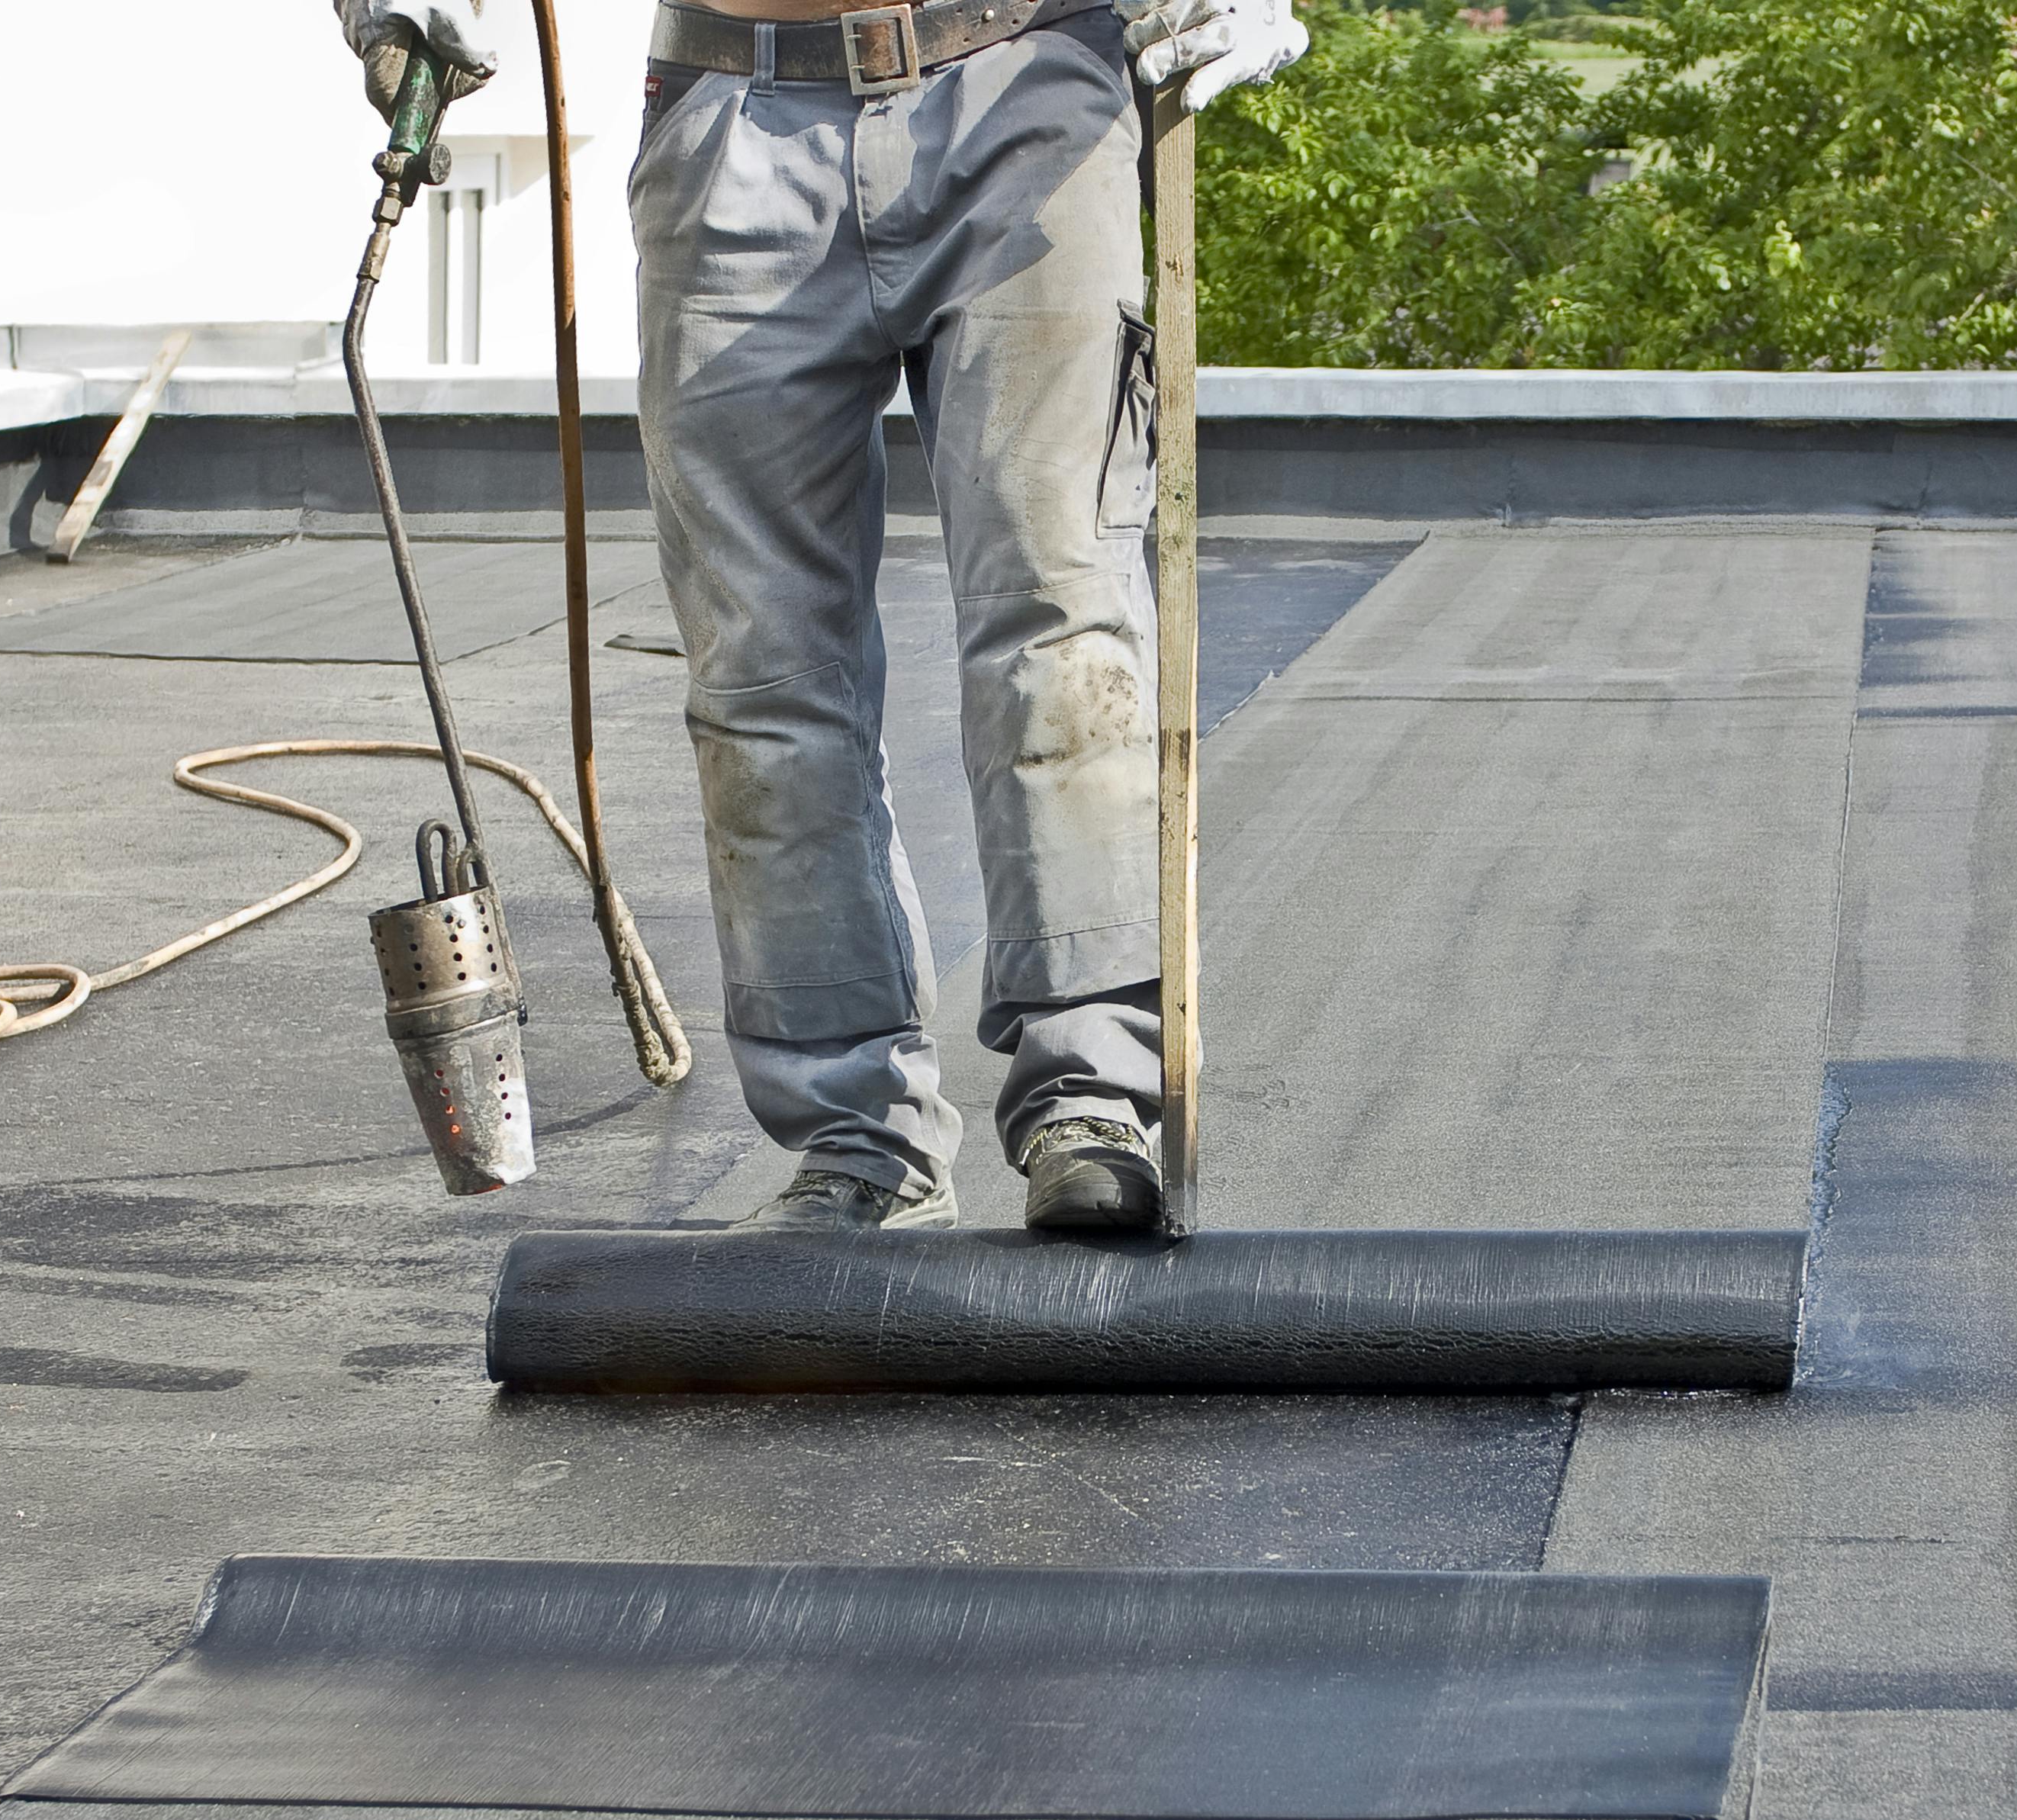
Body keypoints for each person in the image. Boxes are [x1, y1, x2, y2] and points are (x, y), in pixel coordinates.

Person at [336, 0, 1304, 1232]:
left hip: (1026, 87)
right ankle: (859, 1138)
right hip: (732, 105)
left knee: (1061, 623)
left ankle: (1093, 1097)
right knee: (762, 671)